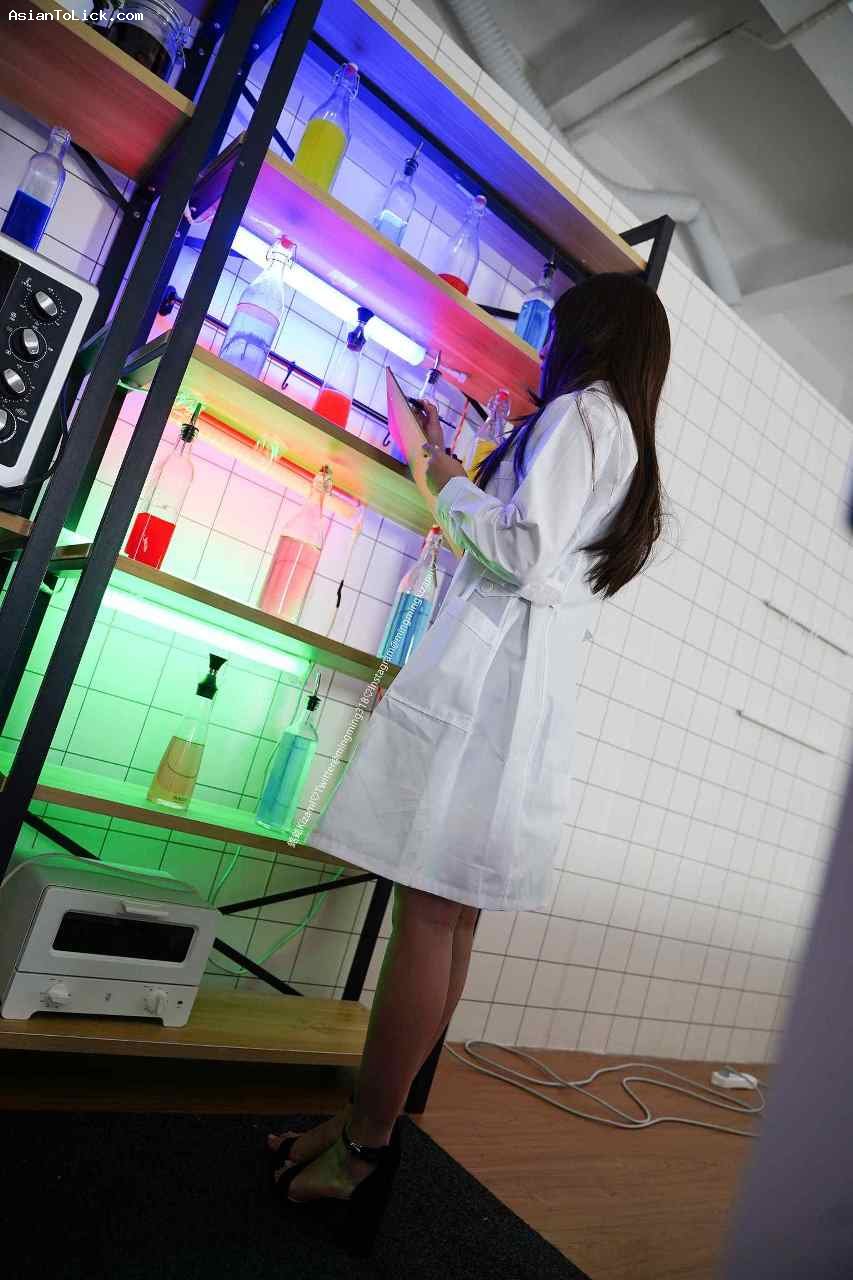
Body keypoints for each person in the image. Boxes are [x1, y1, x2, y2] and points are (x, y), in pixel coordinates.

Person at [267, 271, 672, 1249]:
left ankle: (362, 1149)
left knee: (428, 916)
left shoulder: (583, 414)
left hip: (486, 699)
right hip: (517, 703)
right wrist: (463, 467)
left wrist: (438, 465)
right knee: (450, 918)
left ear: (586, 336)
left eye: (555, 330)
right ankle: (366, 1127)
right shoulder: (620, 438)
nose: (545, 347)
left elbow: (519, 551)